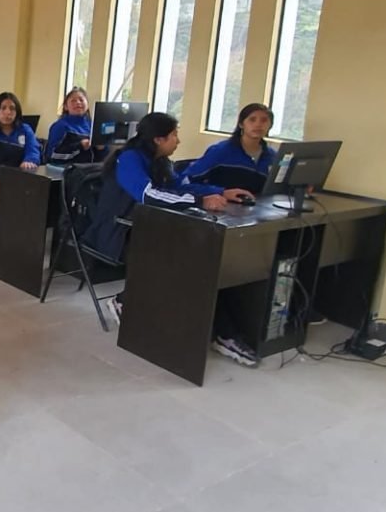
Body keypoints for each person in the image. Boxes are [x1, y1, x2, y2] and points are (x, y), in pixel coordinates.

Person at [87, 112, 259, 367]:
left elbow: (180, 187)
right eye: (174, 135)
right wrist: (200, 201)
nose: (178, 141)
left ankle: (223, 333)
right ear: (158, 139)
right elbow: (148, 195)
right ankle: (127, 301)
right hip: (118, 232)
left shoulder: (161, 161)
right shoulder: (129, 159)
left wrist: (221, 192)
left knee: (204, 257)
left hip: (150, 229)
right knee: (184, 261)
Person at [182, 103, 278, 194]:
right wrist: (220, 192)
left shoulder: (273, 157)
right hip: (222, 203)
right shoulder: (220, 151)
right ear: (241, 124)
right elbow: (184, 181)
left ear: (270, 126)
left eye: (264, 120)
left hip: (260, 204)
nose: (258, 125)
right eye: (252, 120)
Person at [46, 87, 95, 165]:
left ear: (87, 104)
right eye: (73, 101)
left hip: (92, 168)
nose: (78, 102)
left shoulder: (93, 125)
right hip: (66, 169)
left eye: (81, 100)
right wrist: (80, 146)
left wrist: (101, 149)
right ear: (66, 106)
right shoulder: (60, 126)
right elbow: (51, 155)